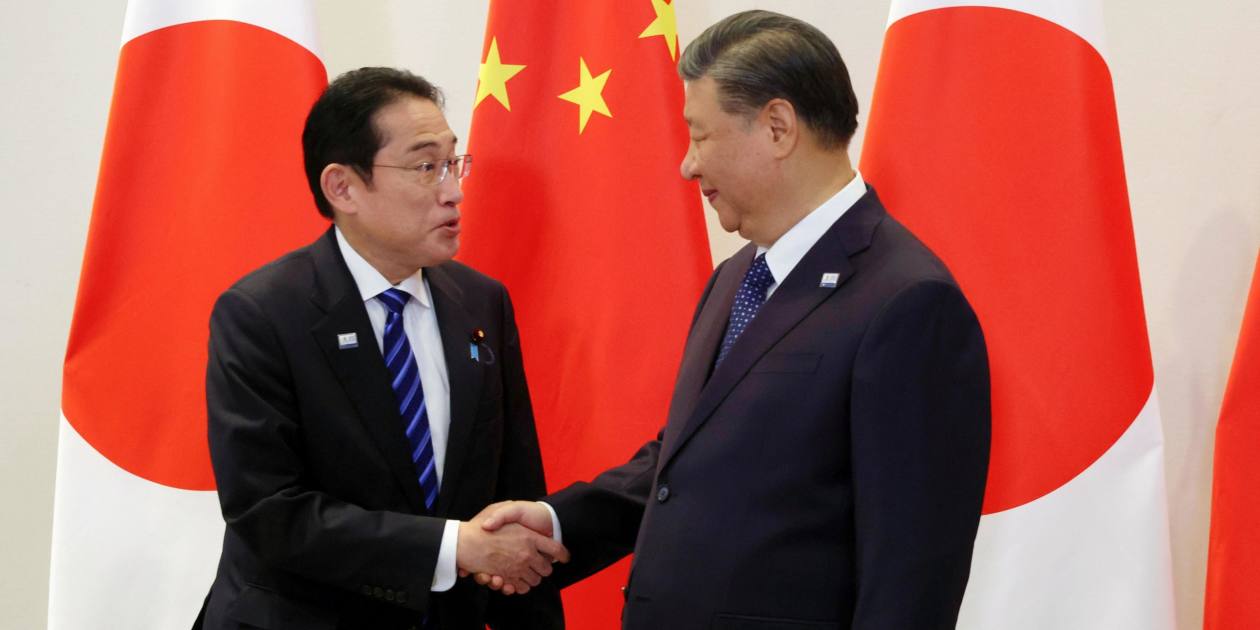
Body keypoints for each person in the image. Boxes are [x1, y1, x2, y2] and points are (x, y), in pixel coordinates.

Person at [477, 11, 991, 629]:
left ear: (777, 127)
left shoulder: (908, 301)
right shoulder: (736, 277)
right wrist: (560, 523)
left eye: (700, 136)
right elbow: (691, 458)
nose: (687, 165)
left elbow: (911, 574)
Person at [196, 67, 566, 630]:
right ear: (342, 187)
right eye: (425, 167)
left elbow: (515, 493)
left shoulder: (480, 302)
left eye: (453, 163)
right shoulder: (262, 314)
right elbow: (268, 511)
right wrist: (451, 548)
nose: (453, 190)